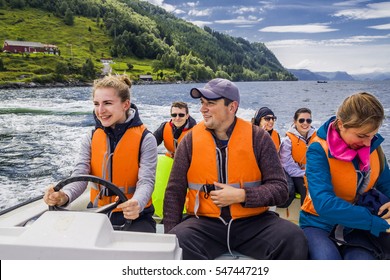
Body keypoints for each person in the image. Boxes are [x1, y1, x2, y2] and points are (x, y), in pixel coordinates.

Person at [163, 78, 308, 260]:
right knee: (178, 243)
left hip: (254, 223)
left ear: (232, 107)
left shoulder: (259, 138)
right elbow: (174, 191)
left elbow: (280, 189)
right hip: (204, 224)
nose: (202, 109)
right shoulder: (189, 141)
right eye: (202, 103)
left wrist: (242, 195)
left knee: (294, 238)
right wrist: (170, 239)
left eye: (210, 103)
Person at [44, 74, 158, 233]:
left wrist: (137, 203)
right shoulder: (90, 138)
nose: (100, 110)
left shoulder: (146, 139)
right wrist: (64, 195)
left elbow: (146, 181)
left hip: (136, 216)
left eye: (108, 103)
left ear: (125, 105)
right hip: (97, 212)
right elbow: (80, 175)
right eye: (96, 104)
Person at [300, 92, 390, 260]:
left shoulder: (374, 148)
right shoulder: (317, 150)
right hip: (318, 224)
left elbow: (387, 184)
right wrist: (375, 223)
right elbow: (324, 204)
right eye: (362, 136)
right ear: (341, 125)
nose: (368, 143)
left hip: (356, 228)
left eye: (372, 135)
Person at [279, 108, 316, 207]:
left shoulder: (317, 138)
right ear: (295, 121)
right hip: (296, 174)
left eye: (308, 120)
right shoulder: (287, 141)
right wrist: (304, 173)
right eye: (301, 120)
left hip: (312, 172)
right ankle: (306, 216)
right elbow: (287, 165)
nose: (305, 123)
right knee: (306, 187)